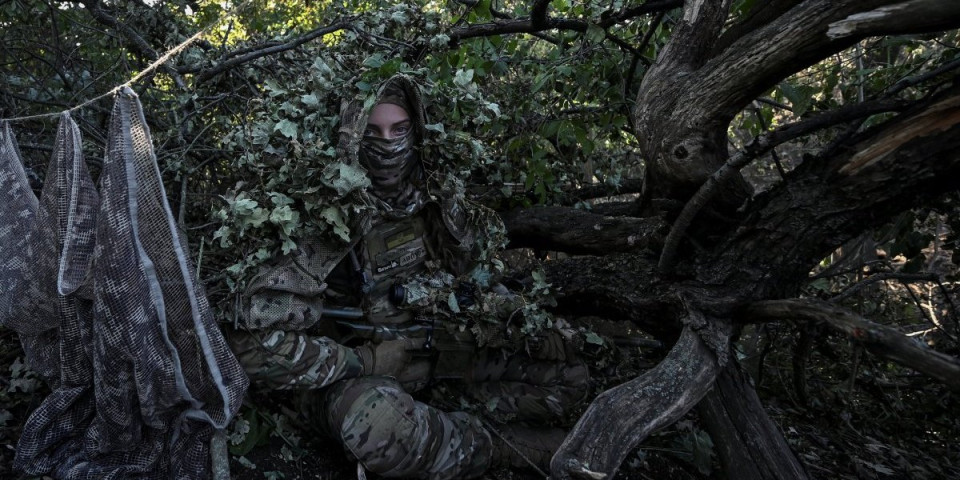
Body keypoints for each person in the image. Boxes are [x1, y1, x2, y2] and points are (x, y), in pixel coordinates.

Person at [227, 74, 589, 479]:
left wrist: (517, 322)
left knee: (570, 374)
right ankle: (497, 448)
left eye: (399, 130)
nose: (388, 145)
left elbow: (474, 278)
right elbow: (251, 346)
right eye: (374, 133)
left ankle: (443, 426)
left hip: (439, 357)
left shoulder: (436, 200)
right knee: (381, 428)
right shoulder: (324, 219)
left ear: (417, 131)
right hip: (353, 380)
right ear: (352, 135)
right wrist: (362, 360)